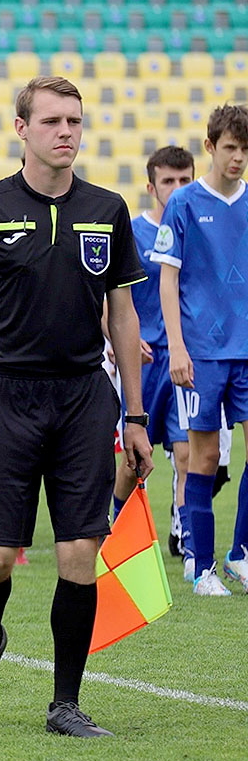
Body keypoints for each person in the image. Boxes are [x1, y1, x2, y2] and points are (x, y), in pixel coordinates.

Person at [0, 76, 152, 738]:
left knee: (79, 551)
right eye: (52, 121)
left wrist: (135, 415)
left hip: (83, 397)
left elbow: (125, 314)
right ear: (21, 128)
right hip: (5, 395)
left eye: (75, 121)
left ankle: (66, 705)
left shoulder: (107, 209)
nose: (66, 132)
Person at [154, 104, 248, 595]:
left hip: (247, 349)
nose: (238, 158)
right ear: (211, 146)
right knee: (203, 458)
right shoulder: (185, 203)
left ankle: (239, 555)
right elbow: (168, 279)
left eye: (245, 150)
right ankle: (203, 566)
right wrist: (176, 346)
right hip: (202, 352)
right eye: (230, 148)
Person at [111, 147, 194, 560]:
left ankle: (183, 533)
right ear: (151, 187)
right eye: (168, 181)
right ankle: (116, 526)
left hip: (184, 355)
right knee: (133, 457)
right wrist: (116, 338)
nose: (177, 189)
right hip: (139, 360)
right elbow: (109, 292)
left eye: (184, 181)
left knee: (187, 451)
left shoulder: (199, 227)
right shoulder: (130, 230)